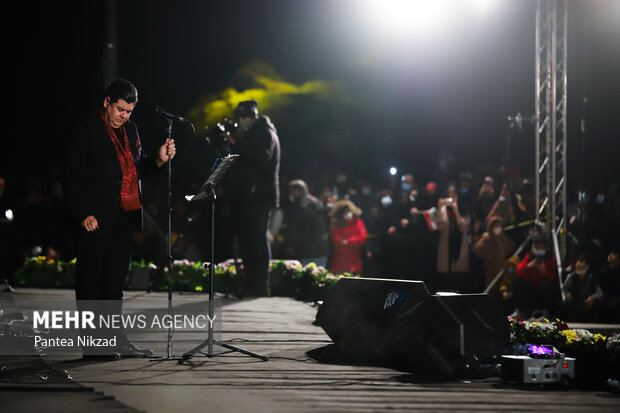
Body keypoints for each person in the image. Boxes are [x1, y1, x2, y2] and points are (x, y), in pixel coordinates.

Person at [63, 79, 176, 359]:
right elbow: (71, 176)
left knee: (114, 283)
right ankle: (93, 345)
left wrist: (159, 160)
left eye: (129, 111)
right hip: (95, 218)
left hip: (124, 217)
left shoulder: (131, 129)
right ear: (106, 102)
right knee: (92, 282)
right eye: (119, 109)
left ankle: (114, 339)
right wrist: (82, 212)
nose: (124, 116)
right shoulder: (85, 129)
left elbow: (137, 168)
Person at [228, 100, 280, 296]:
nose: (241, 121)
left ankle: (260, 286)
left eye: (243, 117)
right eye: (239, 118)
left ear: (252, 116)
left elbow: (260, 158)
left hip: (259, 195)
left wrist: (237, 145)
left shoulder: (265, 132)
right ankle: (251, 283)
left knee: (257, 240)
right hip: (252, 195)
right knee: (248, 240)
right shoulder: (257, 133)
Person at [279, 179, 329, 267]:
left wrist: (290, 245)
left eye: (291, 191)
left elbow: (295, 228)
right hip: (321, 248)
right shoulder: (317, 202)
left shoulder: (300, 206)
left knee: (305, 277)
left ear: (296, 191)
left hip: (305, 251)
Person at [512, 235, 561, 320]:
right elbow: (518, 272)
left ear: (546, 249)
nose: (539, 250)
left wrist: (544, 272)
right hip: (531, 293)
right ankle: (522, 311)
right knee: (518, 281)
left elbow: (554, 281)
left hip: (544, 294)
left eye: (542, 248)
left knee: (546, 285)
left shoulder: (551, 261)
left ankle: (544, 312)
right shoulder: (529, 258)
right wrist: (528, 266)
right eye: (537, 248)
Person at [471, 215, 516, 296]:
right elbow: (476, 250)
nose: (498, 228)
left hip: (503, 272)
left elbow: (512, 247)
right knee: (491, 293)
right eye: (495, 226)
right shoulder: (486, 240)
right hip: (490, 273)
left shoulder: (505, 240)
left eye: (499, 226)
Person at [329, 200, 368, 274]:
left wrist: (349, 241)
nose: (347, 213)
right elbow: (335, 239)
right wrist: (343, 242)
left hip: (355, 261)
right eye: (345, 212)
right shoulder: (336, 223)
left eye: (348, 211)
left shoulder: (358, 222)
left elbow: (362, 237)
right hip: (339, 261)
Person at [560, 255, 602, 322]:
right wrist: (567, 295)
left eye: (581, 262)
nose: (578, 264)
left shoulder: (591, 278)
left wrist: (592, 297)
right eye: (577, 262)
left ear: (587, 266)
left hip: (586, 303)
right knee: (565, 304)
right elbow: (564, 289)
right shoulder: (571, 276)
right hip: (575, 302)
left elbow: (600, 293)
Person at [598, 248, 620, 322]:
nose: (610, 256)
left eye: (614, 254)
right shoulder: (603, 271)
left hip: (617, 301)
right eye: (610, 253)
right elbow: (600, 288)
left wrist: (616, 301)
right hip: (605, 300)